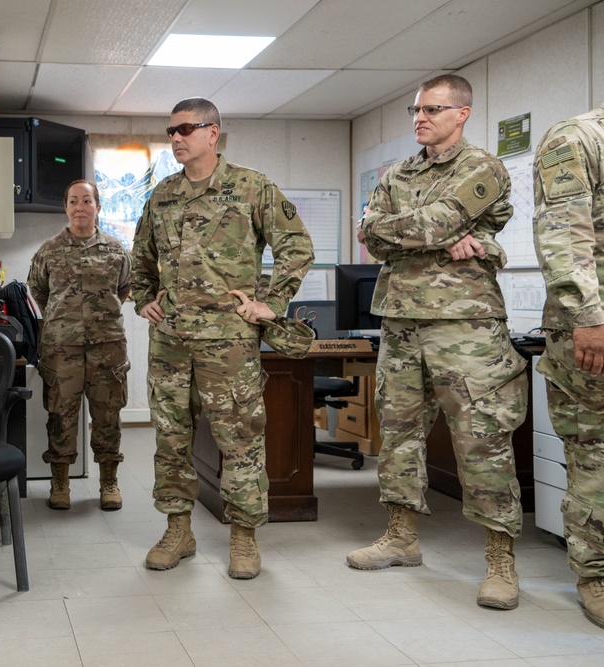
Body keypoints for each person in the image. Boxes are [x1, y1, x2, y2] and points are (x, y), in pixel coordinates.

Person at [349, 74, 528, 611]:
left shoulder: (484, 167)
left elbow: (435, 221)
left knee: (481, 438)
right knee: (399, 432)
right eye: (415, 109)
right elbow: (370, 235)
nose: (419, 118)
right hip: (401, 318)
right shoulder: (400, 171)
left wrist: (420, 228)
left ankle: (501, 561)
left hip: (464, 323)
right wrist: (433, 233)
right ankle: (401, 538)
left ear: (462, 113)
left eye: (431, 109)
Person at [131, 97, 314, 579]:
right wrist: (142, 296)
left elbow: (296, 246)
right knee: (171, 440)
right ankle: (178, 530)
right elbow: (140, 257)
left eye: (185, 129)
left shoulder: (252, 187)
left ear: (213, 133)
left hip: (228, 341)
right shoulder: (163, 195)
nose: (176, 138)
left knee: (240, 440)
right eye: (170, 131)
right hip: (170, 341)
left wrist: (270, 304)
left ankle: (244, 536)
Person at [532, 104, 604, 628]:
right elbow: (564, 236)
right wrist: (588, 316)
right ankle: (596, 575)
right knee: (596, 455)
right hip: (595, 328)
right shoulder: (576, 138)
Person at [28, 179, 132, 511]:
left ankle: (108, 481)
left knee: (108, 416)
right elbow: (38, 291)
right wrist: (64, 319)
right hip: (63, 348)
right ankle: (60, 483)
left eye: (87, 201)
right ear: (66, 208)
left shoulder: (116, 250)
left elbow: (125, 289)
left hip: (107, 347)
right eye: (73, 201)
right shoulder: (48, 250)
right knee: (61, 415)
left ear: (98, 208)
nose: (80, 208)